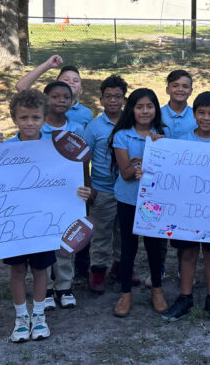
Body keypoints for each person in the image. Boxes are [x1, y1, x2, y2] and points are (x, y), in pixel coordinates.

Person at [0, 89, 91, 342]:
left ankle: (39, 315)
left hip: (43, 223)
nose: (30, 123)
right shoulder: (6, 148)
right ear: (15, 119)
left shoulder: (55, 148)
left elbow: (67, 178)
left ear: (44, 118)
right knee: (17, 270)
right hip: (14, 222)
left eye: (35, 117)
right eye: (24, 118)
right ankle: (21, 317)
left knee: (41, 269)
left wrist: (79, 190)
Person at [163, 92, 210, 324]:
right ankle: (185, 297)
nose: (206, 118)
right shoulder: (182, 141)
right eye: (201, 113)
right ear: (194, 115)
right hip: (187, 210)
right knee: (188, 253)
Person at [109, 88, 168, 317]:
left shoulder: (162, 133)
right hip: (128, 200)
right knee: (128, 247)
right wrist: (145, 160)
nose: (145, 111)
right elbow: (125, 173)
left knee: (154, 247)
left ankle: (157, 290)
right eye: (139, 106)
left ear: (156, 109)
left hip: (153, 200)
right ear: (131, 109)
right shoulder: (122, 135)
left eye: (150, 106)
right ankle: (126, 294)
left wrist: (157, 148)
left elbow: (167, 170)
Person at [39, 81, 86, 310]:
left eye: (65, 97)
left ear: (72, 100)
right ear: (45, 98)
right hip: (41, 196)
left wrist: (88, 188)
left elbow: (84, 161)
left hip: (69, 195)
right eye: (55, 96)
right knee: (44, 241)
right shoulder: (37, 128)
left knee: (67, 241)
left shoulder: (77, 128)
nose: (60, 101)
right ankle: (45, 288)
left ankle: (64, 286)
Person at [82, 75, 129, 294]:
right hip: (102, 190)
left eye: (117, 96)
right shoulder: (94, 127)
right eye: (108, 97)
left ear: (124, 99)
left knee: (124, 233)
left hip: (127, 189)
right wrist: (88, 185)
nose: (113, 101)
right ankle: (97, 272)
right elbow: (83, 158)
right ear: (101, 100)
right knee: (101, 235)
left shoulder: (130, 123)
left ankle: (120, 268)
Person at [15, 55, 93, 128]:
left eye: (75, 81)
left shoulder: (86, 113)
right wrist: (47, 65)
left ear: (81, 90)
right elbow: (21, 86)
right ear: (56, 84)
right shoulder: (44, 104)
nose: (71, 82)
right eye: (66, 80)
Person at [160, 70, 196, 139]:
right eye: (175, 86)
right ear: (167, 90)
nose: (180, 89)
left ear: (191, 91)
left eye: (185, 87)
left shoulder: (196, 117)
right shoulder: (158, 114)